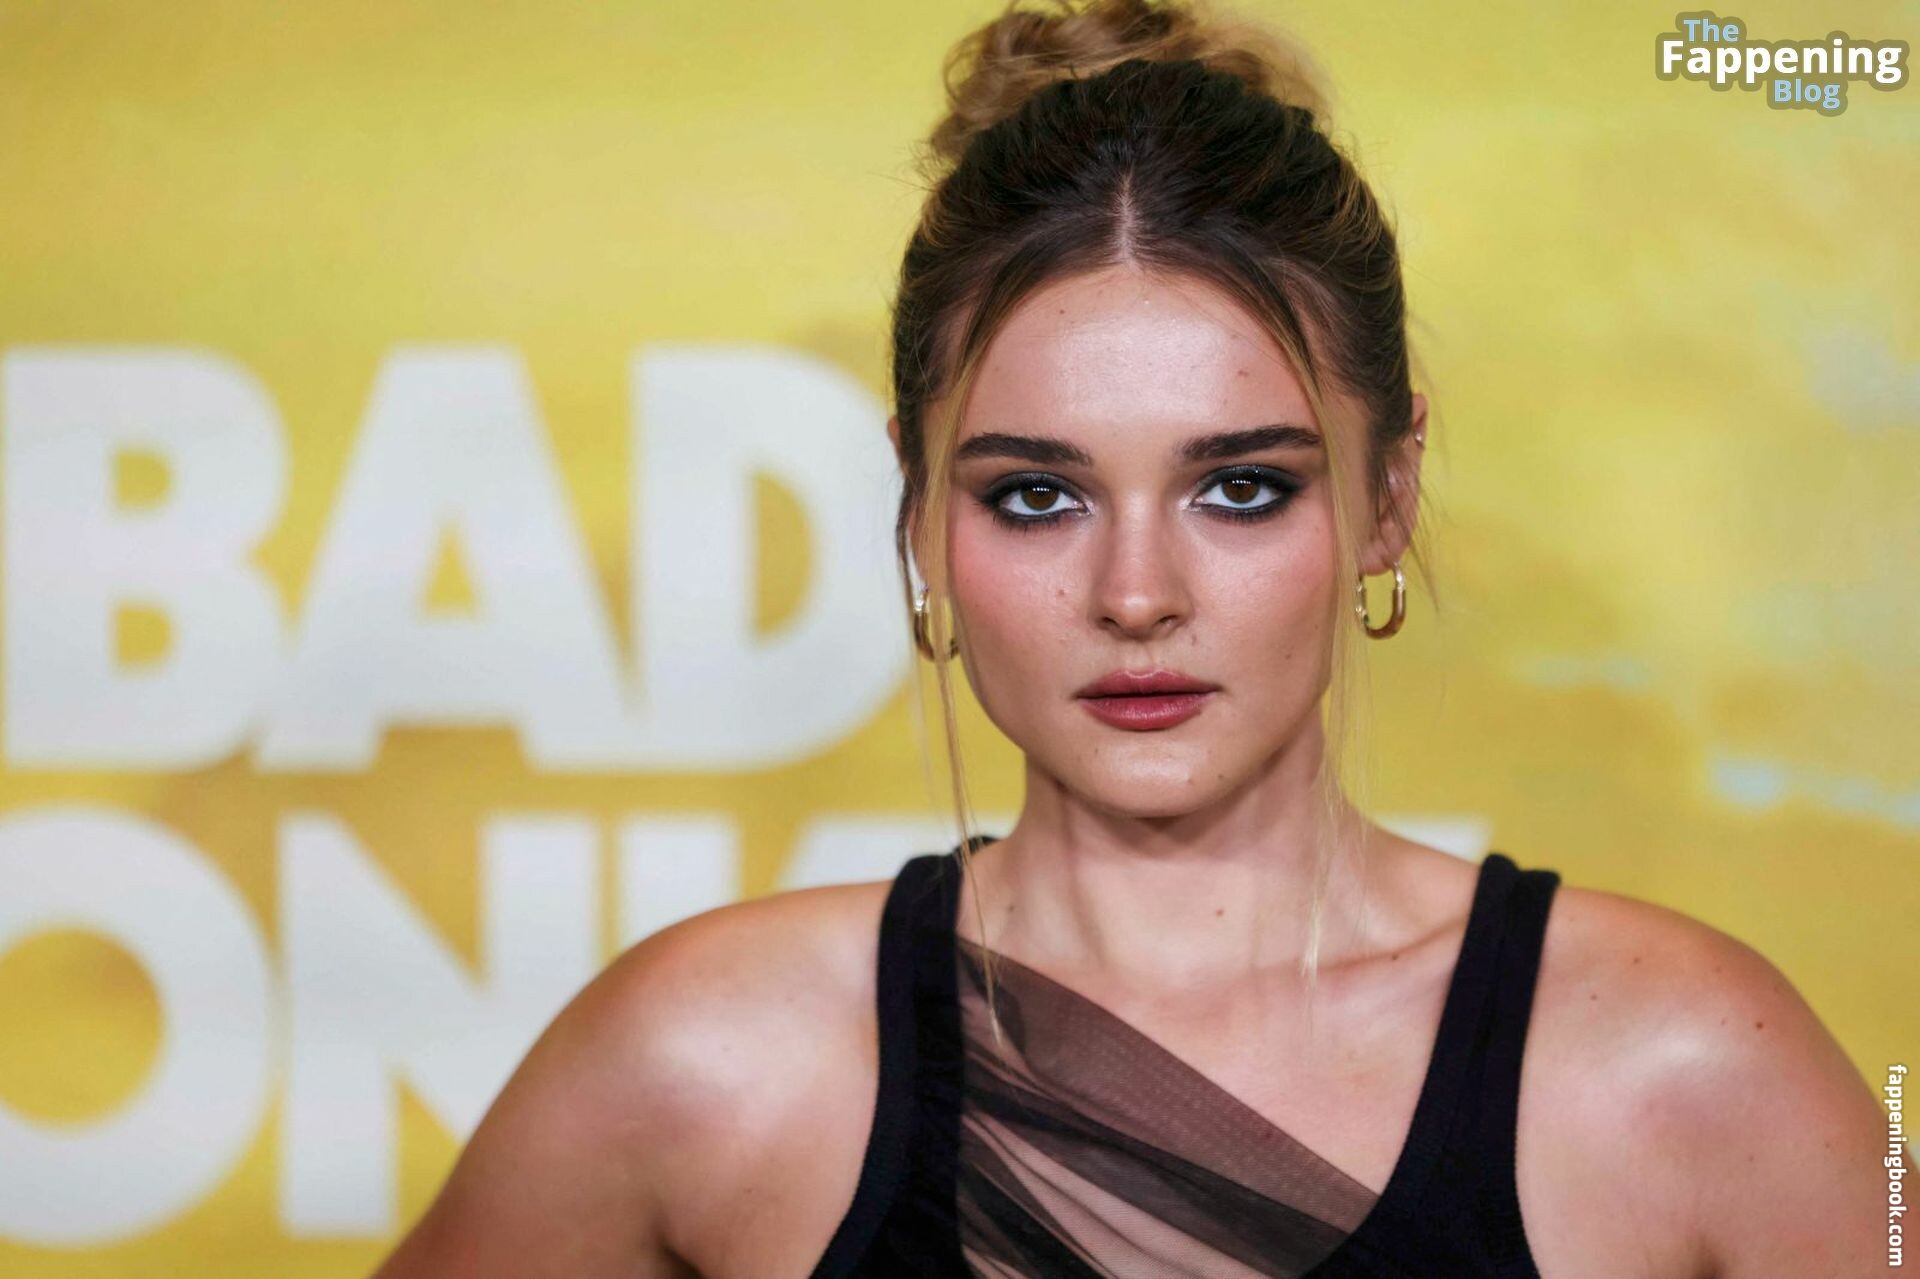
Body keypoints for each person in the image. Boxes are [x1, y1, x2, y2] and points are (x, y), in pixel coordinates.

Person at [372, 1, 1892, 1275]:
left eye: (1242, 487)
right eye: (1036, 495)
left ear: (1388, 495)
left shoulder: (1685, 1070)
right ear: (920, 510)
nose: (1138, 592)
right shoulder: (704, 1063)